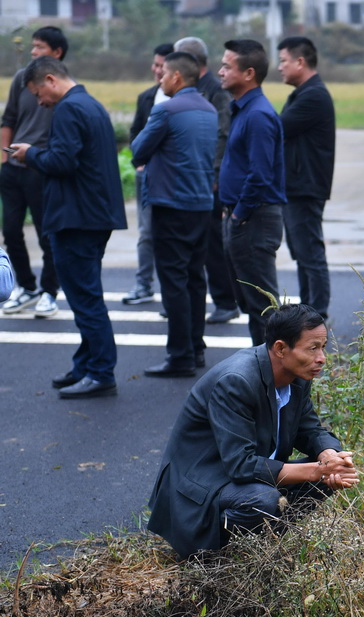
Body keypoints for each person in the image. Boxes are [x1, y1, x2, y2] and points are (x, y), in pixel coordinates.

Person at [146, 304, 359, 559]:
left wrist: (330, 458)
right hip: (201, 487)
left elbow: (310, 428)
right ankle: (214, 555)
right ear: (281, 348)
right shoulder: (236, 380)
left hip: (237, 477)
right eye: (312, 348)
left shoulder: (297, 376)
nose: (322, 357)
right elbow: (241, 465)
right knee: (264, 500)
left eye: (323, 347)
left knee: (328, 476)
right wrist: (316, 470)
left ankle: (265, 548)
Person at [10, 57, 127, 399]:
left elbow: (62, 162)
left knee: (85, 299)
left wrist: (29, 155)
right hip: (93, 214)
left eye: (37, 93)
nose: (39, 102)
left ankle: (101, 372)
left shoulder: (68, 109)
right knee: (85, 294)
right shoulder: (90, 104)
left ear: (50, 80)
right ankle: (86, 365)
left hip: (76, 217)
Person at [131, 52, 218, 377]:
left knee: (174, 281)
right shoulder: (209, 110)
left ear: (177, 77)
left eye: (164, 74)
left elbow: (138, 150)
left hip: (171, 205)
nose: (160, 79)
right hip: (201, 205)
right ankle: (195, 348)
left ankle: (180, 355)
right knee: (195, 279)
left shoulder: (165, 110)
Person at [218, 39, 286, 346]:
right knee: (252, 303)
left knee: (265, 307)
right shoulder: (243, 109)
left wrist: (239, 214)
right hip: (243, 217)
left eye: (226, 66)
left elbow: (260, 174)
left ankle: (277, 384)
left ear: (248, 73)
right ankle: (263, 376)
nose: (220, 71)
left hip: (253, 219)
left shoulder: (258, 114)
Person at [0, 26, 68, 318]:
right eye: (32, 46)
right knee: (11, 230)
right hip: (13, 167)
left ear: (56, 52)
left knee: (46, 234)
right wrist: (3, 160)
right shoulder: (22, 79)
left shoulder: (64, 86)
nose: (33, 52)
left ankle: (49, 292)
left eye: (39, 47)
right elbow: (9, 118)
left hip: (41, 169)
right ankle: (26, 287)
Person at [173, 36, 240, 325]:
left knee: (213, 244)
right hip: (193, 179)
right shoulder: (194, 89)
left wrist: (213, 175)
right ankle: (188, 302)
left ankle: (226, 302)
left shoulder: (215, 91)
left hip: (208, 180)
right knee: (195, 246)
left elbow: (222, 135)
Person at [277, 36, 335, 321]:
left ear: (300, 62)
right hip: (297, 186)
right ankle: (309, 313)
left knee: (310, 253)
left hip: (305, 186)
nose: (279, 68)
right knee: (302, 253)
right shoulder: (302, 93)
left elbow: (277, 128)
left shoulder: (313, 96)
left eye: (283, 61)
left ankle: (317, 316)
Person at [122, 42, 175, 306]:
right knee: (146, 234)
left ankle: (174, 293)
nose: (156, 71)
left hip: (175, 178)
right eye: (154, 65)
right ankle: (143, 285)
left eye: (161, 66)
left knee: (175, 235)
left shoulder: (187, 99)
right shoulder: (147, 97)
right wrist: (138, 163)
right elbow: (135, 134)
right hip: (148, 176)